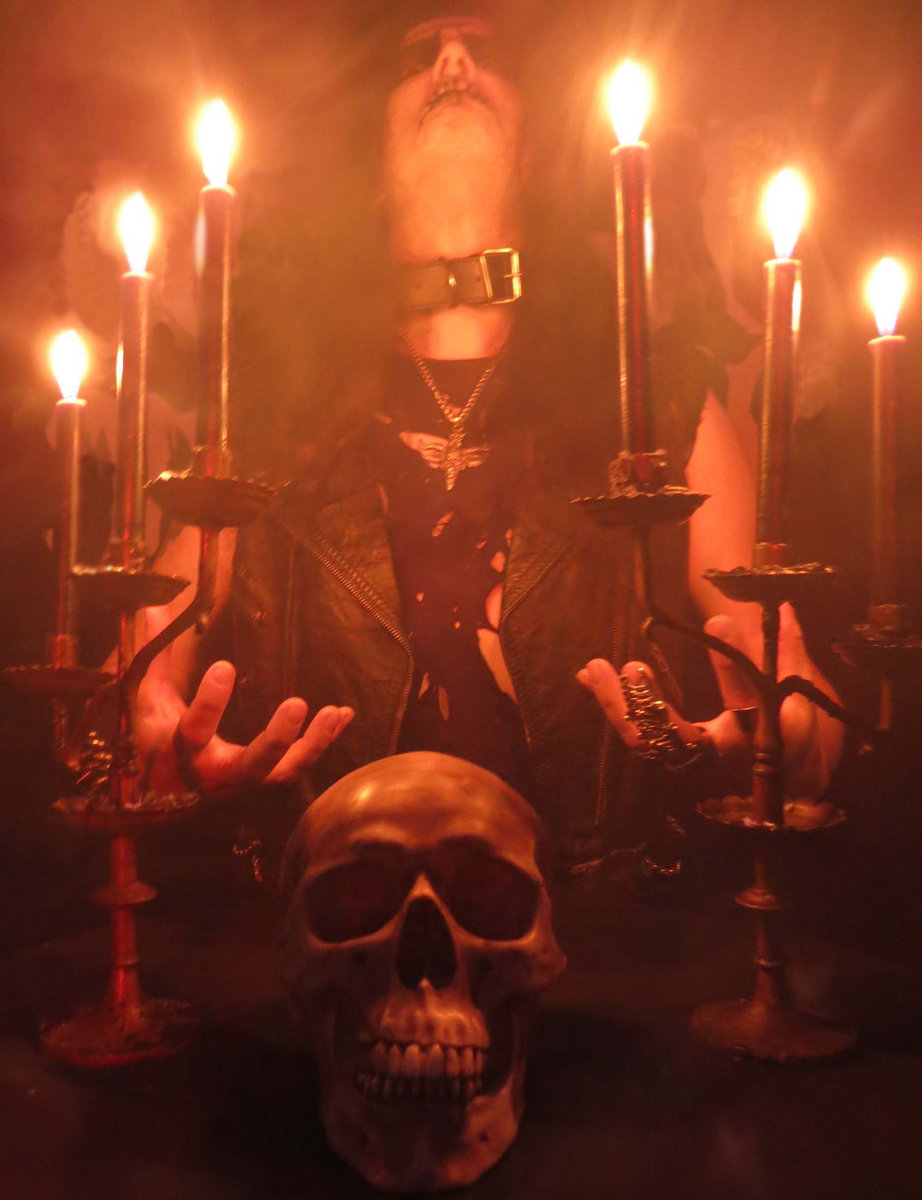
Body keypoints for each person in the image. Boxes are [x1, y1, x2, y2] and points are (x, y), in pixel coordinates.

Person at [134, 14, 843, 875]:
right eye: (419, 54)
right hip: (331, 915)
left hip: (592, 926)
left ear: (535, 157)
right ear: (372, 178)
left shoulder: (662, 412)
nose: (454, 61)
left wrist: (790, 736)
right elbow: (141, 675)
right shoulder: (268, 423)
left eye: (485, 51)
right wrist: (149, 733)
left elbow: (801, 717)